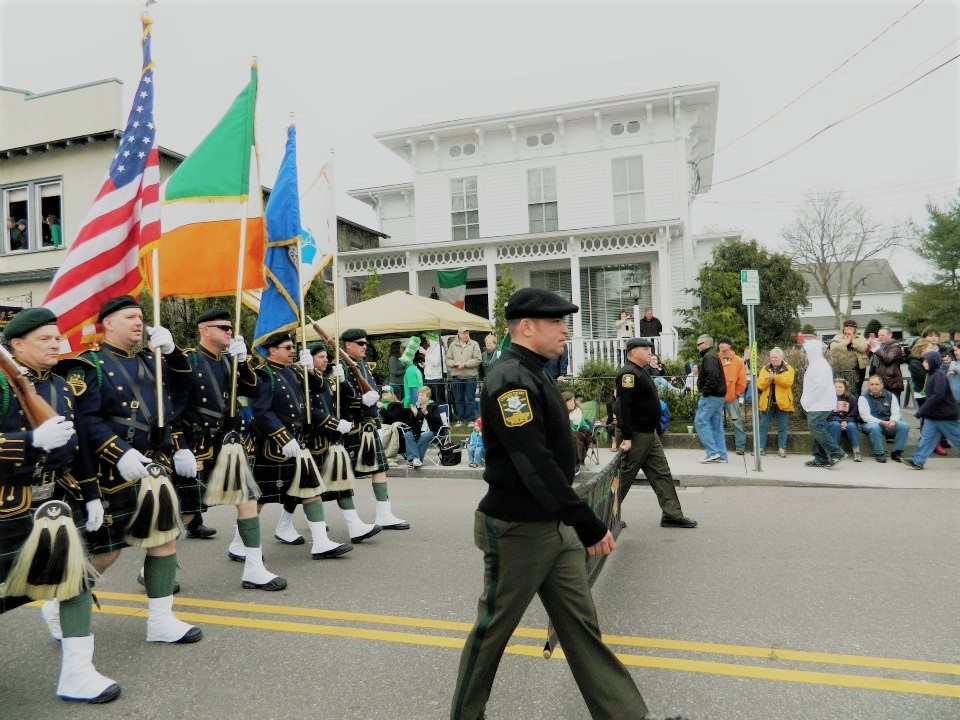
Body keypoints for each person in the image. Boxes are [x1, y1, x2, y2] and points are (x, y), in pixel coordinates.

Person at [450, 287, 687, 720]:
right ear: (526, 327)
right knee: (493, 632)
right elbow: (530, 461)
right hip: (517, 527)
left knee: (581, 629)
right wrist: (584, 519)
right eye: (557, 323)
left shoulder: (536, 370)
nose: (565, 331)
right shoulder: (509, 378)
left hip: (553, 524)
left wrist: (570, 520)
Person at [1, 308, 120, 703]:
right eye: (45, 339)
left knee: (76, 581)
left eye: (57, 337)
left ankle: (77, 674)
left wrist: (91, 494)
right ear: (16, 345)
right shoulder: (4, 384)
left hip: (51, 502)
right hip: (4, 506)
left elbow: (77, 446)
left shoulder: (60, 386)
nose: (57, 344)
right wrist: (28, 442)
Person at [67, 296, 202, 644]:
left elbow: (183, 393)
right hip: (113, 471)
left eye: (141, 317)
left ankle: (160, 620)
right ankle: (63, 603)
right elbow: (86, 420)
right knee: (107, 552)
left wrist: (171, 353)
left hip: (154, 465)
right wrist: (119, 452)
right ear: (108, 323)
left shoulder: (151, 359)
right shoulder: (89, 365)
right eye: (130, 317)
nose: (139, 322)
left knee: (164, 539)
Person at [176, 308, 286, 590]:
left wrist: (244, 361)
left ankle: (253, 568)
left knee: (248, 500)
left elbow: (253, 389)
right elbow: (171, 406)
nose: (229, 331)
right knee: (184, 513)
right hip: (197, 446)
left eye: (229, 327)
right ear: (204, 330)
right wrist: (178, 446)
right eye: (222, 327)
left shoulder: (231, 360)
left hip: (229, 443)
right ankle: (149, 565)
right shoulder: (187, 360)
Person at [245, 332, 352, 560]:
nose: (293, 350)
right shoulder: (264, 375)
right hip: (275, 447)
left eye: (293, 347)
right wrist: (283, 437)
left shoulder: (294, 370)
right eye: (287, 347)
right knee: (261, 498)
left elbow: (319, 388)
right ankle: (239, 544)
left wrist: (310, 369)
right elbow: (261, 411)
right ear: (272, 350)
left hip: (299, 442)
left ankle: (321, 542)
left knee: (311, 489)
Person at [616, 337, 697, 528]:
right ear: (633, 352)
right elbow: (623, 408)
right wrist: (627, 437)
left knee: (661, 473)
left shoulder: (640, 372)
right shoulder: (628, 374)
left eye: (649, 348)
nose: (649, 352)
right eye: (645, 349)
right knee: (624, 477)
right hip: (635, 435)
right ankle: (600, 517)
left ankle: (672, 514)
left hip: (648, 434)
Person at [339, 329, 410, 530]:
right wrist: (359, 401)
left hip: (368, 425)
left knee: (379, 468)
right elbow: (336, 402)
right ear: (348, 345)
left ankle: (384, 513)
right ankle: (294, 521)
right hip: (351, 427)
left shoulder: (362, 365)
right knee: (341, 475)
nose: (365, 346)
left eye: (365, 343)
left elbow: (371, 388)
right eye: (360, 343)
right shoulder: (341, 366)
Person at [904, 349, 960, 469]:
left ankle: (918, 460)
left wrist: (922, 410)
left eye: (925, 361)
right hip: (934, 414)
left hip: (944, 415)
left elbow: (937, 396)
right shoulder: (932, 375)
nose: (923, 363)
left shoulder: (938, 376)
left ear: (933, 362)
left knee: (957, 437)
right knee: (927, 437)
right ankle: (918, 460)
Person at [800, 335, 845, 468]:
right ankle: (820, 458)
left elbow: (819, 387)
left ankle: (836, 453)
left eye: (806, 351)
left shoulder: (819, 365)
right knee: (816, 429)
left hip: (819, 404)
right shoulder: (816, 364)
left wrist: (808, 400)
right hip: (817, 403)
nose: (804, 354)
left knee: (816, 428)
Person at [857, 374, 909, 463]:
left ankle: (897, 452)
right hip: (869, 424)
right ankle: (879, 453)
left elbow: (896, 412)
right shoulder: (863, 398)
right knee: (875, 427)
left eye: (877, 384)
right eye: (872, 384)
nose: (874, 386)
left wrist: (893, 421)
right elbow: (865, 416)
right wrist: (881, 422)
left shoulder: (891, 396)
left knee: (904, 426)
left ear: (882, 385)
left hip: (888, 423)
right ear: (868, 385)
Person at [693, 334, 728, 463]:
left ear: (706, 344)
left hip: (711, 396)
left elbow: (712, 377)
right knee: (715, 426)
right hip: (718, 396)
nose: (697, 347)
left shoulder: (709, 357)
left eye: (699, 344)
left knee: (701, 421)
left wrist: (705, 391)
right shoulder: (713, 356)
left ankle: (712, 452)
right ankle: (721, 455)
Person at [755, 347, 795, 457]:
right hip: (767, 403)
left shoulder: (789, 368)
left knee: (782, 427)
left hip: (782, 403)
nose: (773, 359)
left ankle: (782, 449)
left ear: (781, 358)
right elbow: (760, 385)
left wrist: (775, 378)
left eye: (776, 357)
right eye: (772, 357)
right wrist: (769, 380)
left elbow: (788, 382)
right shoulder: (764, 369)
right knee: (763, 426)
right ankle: (760, 448)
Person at [717, 337, 747, 455]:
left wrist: (736, 393)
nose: (721, 345)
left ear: (729, 346)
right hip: (717, 397)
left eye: (723, 343)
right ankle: (717, 448)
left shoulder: (738, 361)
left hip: (731, 397)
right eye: (720, 343)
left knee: (737, 422)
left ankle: (740, 447)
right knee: (716, 422)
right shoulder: (715, 358)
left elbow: (742, 380)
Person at [402, 385, 443, 468]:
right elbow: (409, 424)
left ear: (427, 397)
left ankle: (415, 459)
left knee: (425, 435)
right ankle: (415, 459)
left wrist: (426, 414)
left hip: (432, 431)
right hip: (418, 432)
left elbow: (438, 422)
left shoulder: (433, 406)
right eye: (419, 395)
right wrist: (415, 414)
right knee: (408, 434)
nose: (420, 397)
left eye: (422, 395)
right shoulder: (416, 407)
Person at [447, 327, 481, 423]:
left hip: (470, 376)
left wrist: (465, 364)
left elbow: (478, 359)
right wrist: (454, 363)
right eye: (464, 333)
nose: (466, 335)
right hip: (456, 377)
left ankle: (471, 419)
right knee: (458, 399)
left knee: (470, 399)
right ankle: (460, 419)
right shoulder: (453, 345)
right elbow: (447, 360)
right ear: (459, 334)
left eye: (467, 332)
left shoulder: (474, 344)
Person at [826, 378, 862, 462]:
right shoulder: (828, 398)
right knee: (835, 425)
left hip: (848, 422)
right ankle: (834, 453)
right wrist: (840, 421)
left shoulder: (851, 398)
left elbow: (854, 414)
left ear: (845, 388)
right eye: (836, 387)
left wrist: (846, 421)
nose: (838, 389)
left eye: (840, 387)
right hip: (833, 422)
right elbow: (828, 415)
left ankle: (856, 451)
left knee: (852, 426)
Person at [827, 319, 869, 392]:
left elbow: (863, 348)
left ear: (855, 329)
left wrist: (853, 340)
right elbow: (833, 347)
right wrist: (847, 342)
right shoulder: (837, 337)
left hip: (858, 367)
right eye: (847, 326)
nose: (849, 328)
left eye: (851, 327)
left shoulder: (860, 337)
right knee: (843, 388)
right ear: (843, 328)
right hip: (842, 367)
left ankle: (856, 402)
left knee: (857, 389)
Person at [867, 326, 904, 397]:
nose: (879, 337)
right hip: (879, 382)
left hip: (891, 383)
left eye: (882, 335)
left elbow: (888, 359)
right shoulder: (881, 347)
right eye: (878, 335)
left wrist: (876, 349)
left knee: (893, 406)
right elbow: (872, 364)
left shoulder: (895, 346)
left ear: (890, 335)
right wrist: (869, 348)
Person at [563, 391, 592, 474]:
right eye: (570, 401)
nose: (573, 403)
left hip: (583, 432)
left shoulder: (577, 412)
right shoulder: (561, 412)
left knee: (573, 435)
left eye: (573, 400)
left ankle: (576, 463)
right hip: (569, 433)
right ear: (564, 403)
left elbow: (575, 428)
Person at [422, 333, 446, 407]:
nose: (426, 340)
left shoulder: (439, 348)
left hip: (436, 379)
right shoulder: (429, 348)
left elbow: (435, 362)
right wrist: (424, 366)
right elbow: (430, 362)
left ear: (432, 338)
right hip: (428, 378)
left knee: (438, 401)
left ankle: (442, 417)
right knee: (429, 401)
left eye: (427, 338)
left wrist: (425, 353)